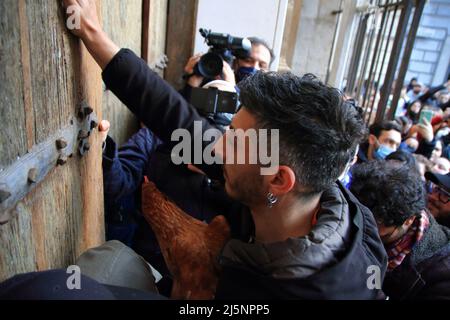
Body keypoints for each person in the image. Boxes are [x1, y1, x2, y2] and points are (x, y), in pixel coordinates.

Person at [63, 0, 387, 299]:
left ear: (279, 180)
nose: (216, 146)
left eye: (233, 139)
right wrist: (92, 33)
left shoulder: (308, 290)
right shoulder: (289, 176)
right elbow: (176, 118)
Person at [351, 160, 450, 300]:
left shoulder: (442, 272)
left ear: (408, 220)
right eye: (436, 189)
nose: (359, 225)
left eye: (375, 221)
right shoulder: (353, 209)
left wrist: (368, 287)